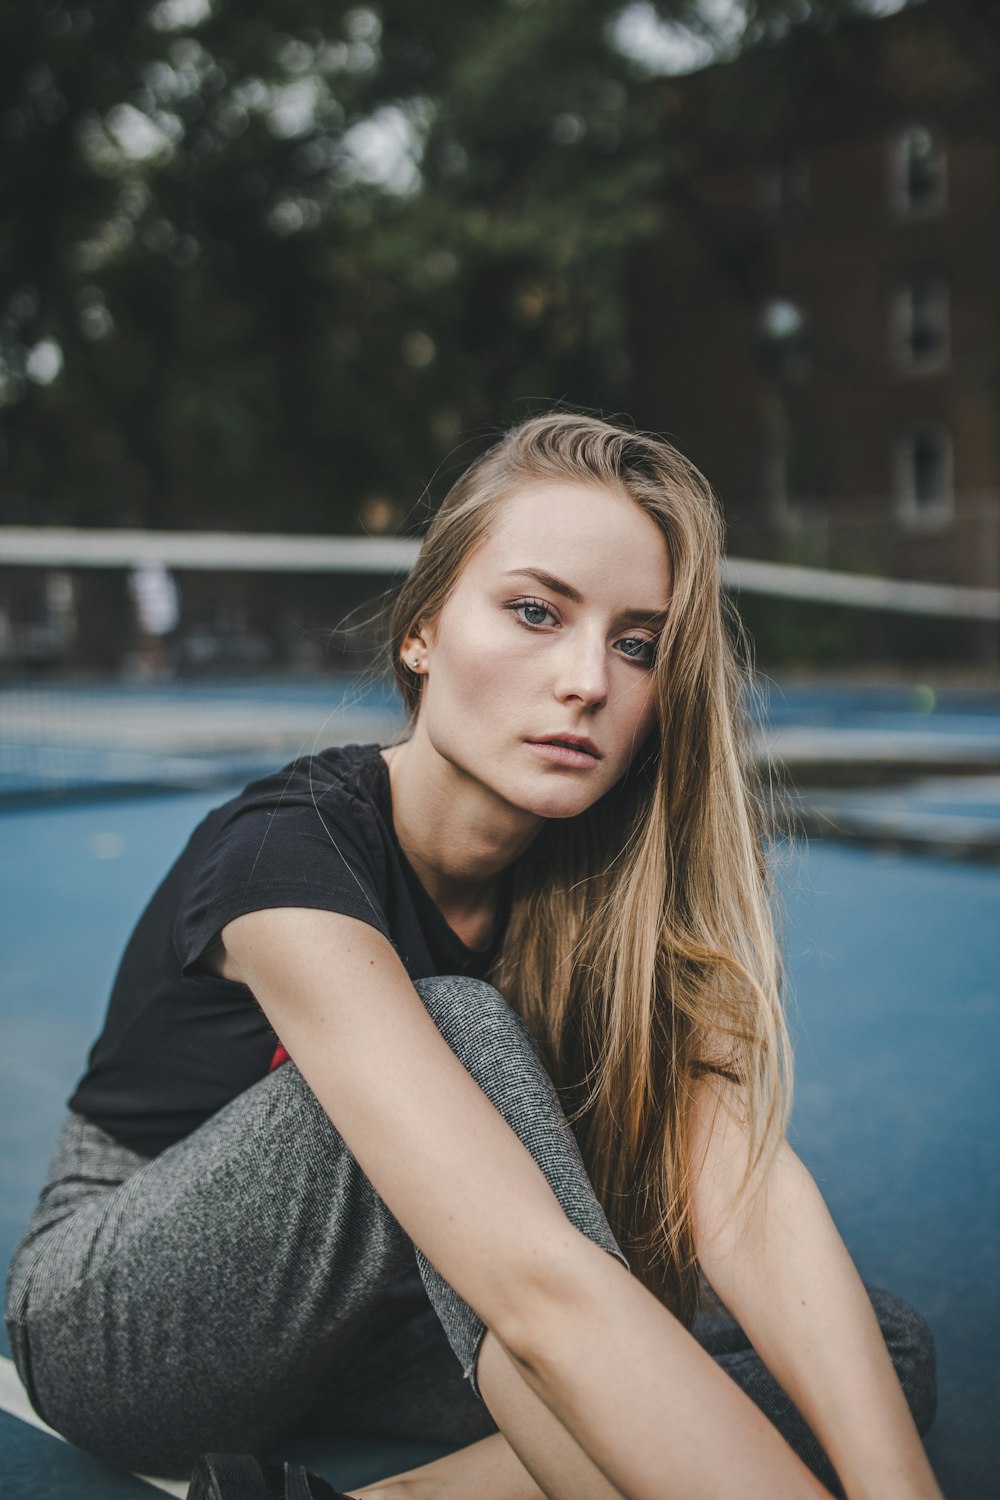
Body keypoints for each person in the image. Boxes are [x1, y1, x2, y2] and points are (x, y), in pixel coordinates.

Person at [5, 413, 940, 1500]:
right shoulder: (284, 852)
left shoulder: (606, 896)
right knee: (456, 1024)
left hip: (385, 1320)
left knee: (873, 1353)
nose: (588, 678)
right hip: (133, 1327)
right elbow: (544, 1294)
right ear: (422, 631)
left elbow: (742, 1202)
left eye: (635, 642)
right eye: (535, 613)